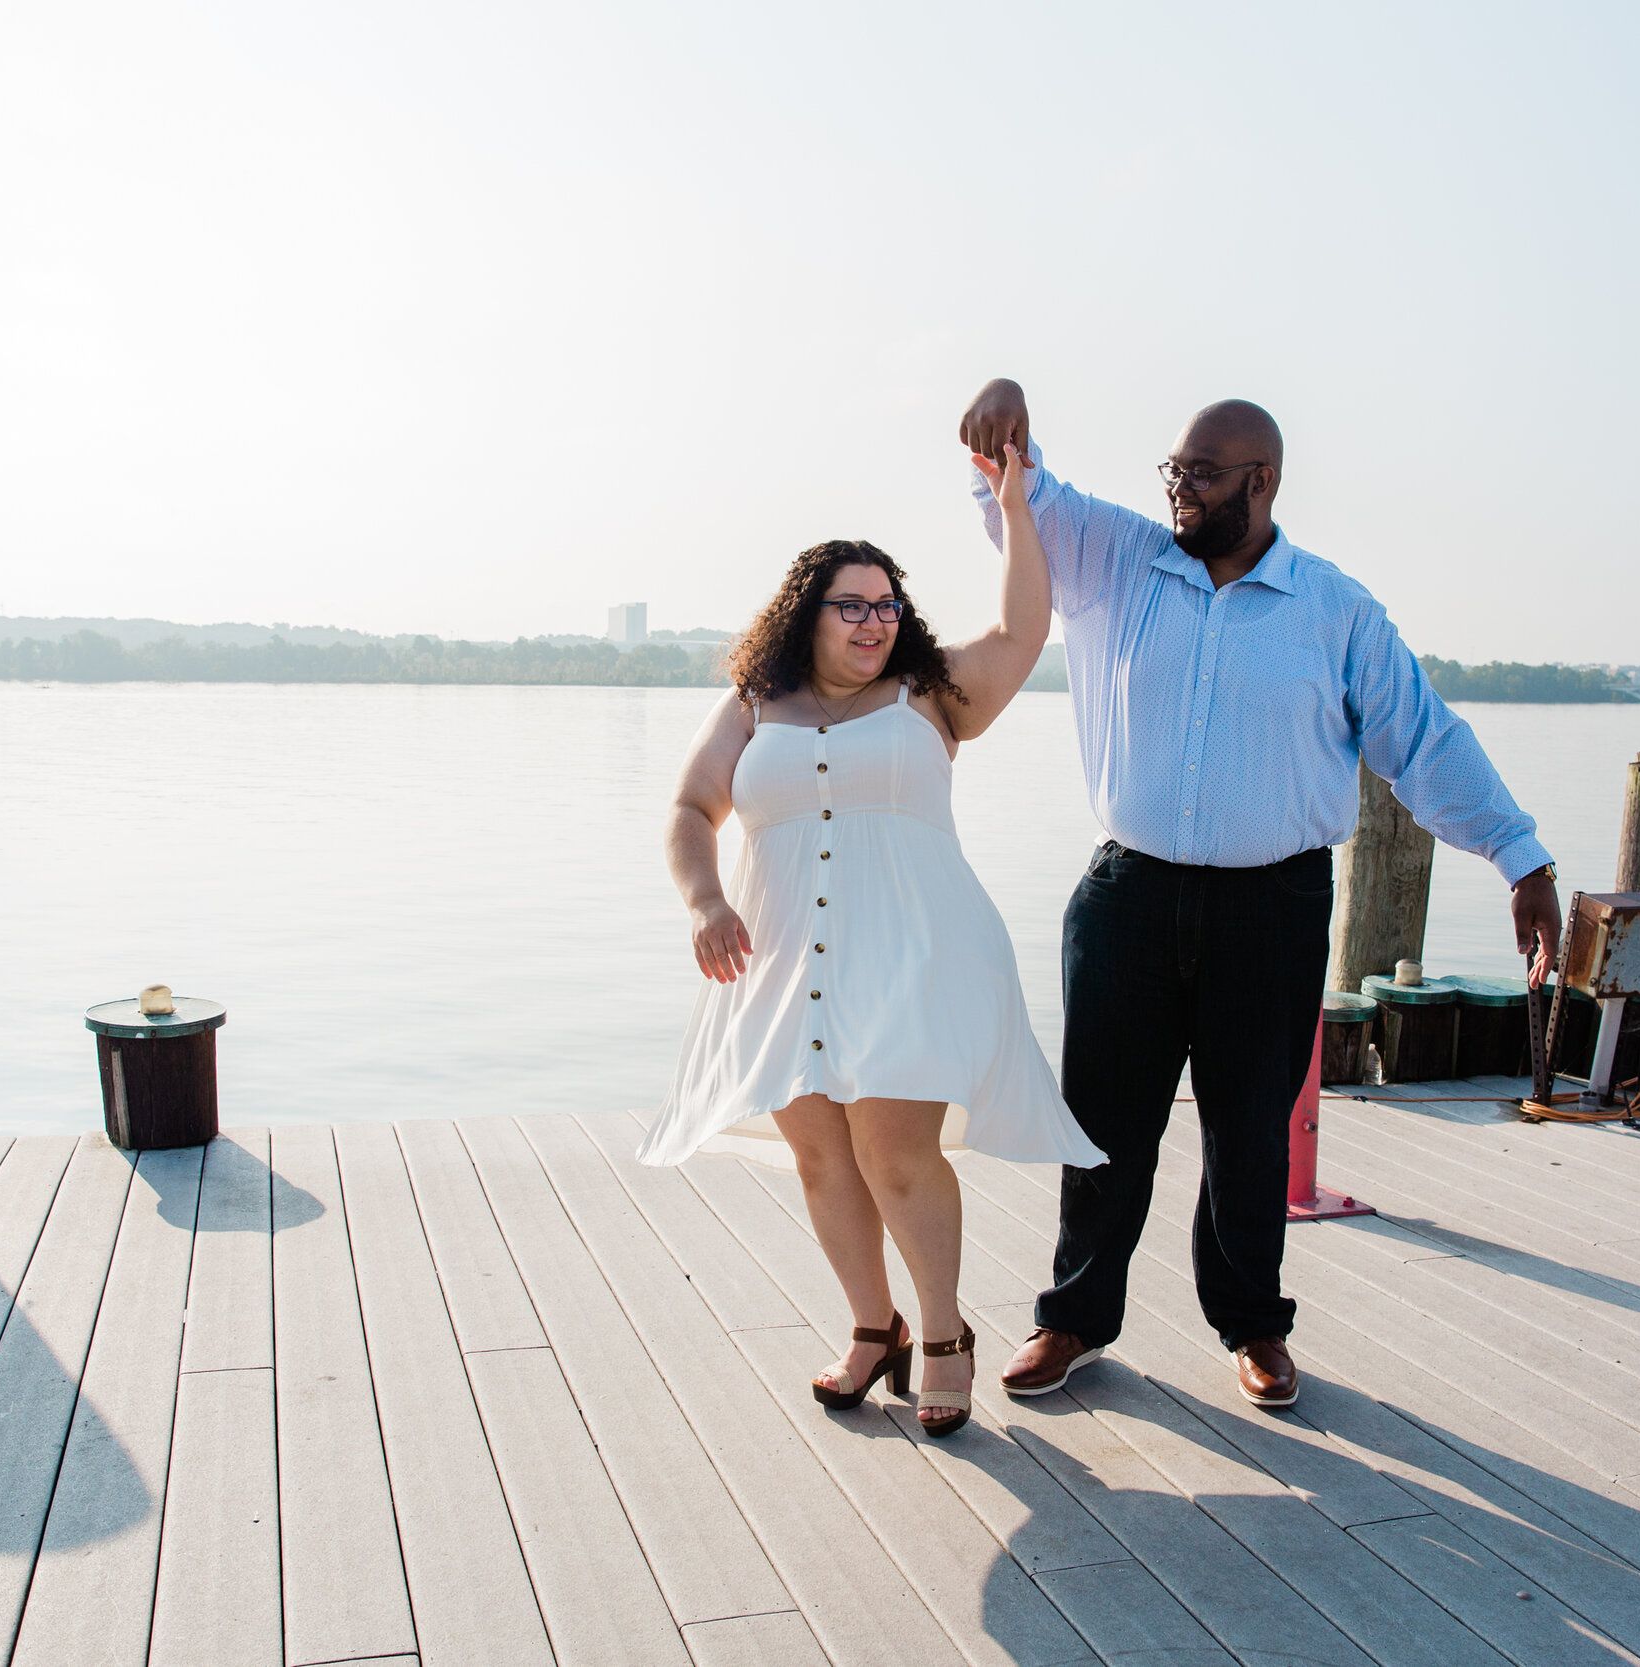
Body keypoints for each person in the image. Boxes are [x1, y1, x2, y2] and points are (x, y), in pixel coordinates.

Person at [956, 378, 1561, 1409]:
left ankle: (1252, 1324)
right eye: (1174, 472)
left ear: (1261, 480)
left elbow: (1421, 742)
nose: (1180, 493)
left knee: (1248, 1129)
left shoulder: (1335, 610)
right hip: (1127, 895)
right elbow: (1019, 490)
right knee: (1102, 1120)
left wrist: (1520, 854)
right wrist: (1002, 418)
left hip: (1270, 907)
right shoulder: (1117, 557)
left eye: (1201, 475)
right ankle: (1071, 1318)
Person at [638, 443, 1105, 1439]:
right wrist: (701, 900)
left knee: (894, 1152)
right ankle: (870, 1323)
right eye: (851, 603)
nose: (874, 618)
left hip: (915, 952)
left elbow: (1022, 627)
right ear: (803, 614)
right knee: (820, 1159)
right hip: (781, 960)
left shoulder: (930, 692)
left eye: (886, 602)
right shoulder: (752, 702)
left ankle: (942, 1334)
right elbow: (687, 806)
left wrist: (1016, 507)